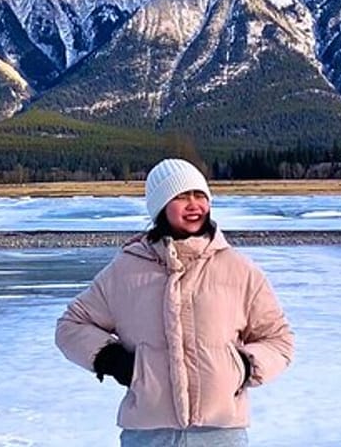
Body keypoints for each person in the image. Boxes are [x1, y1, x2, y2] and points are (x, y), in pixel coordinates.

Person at [56, 158, 294, 446]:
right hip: (148, 433)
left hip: (220, 433)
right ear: (160, 207)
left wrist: (242, 366)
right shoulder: (126, 271)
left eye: (199, 196)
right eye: (181, 197)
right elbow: (71, 326)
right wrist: (113, 361)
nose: (194, 205)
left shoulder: (238, 269)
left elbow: (278, 340)